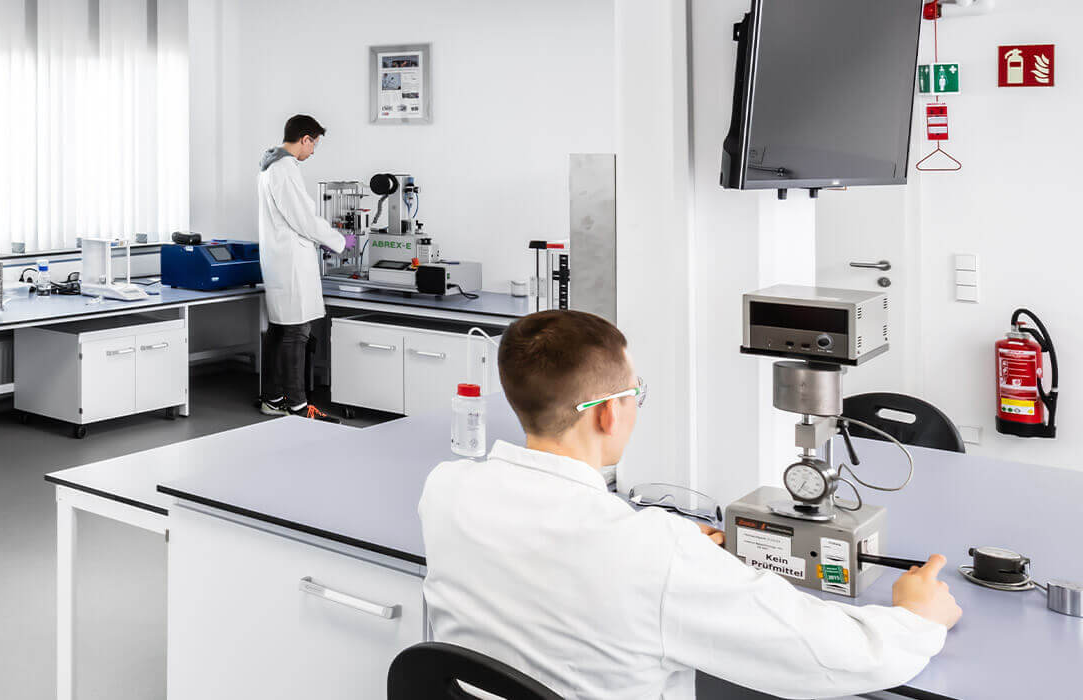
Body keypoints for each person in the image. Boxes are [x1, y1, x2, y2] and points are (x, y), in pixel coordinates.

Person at [419, 310, 959, 699]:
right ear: (609, 413)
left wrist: (677, 557)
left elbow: (554, 553)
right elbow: (838, 657)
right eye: (635, 392)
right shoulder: (656, 553)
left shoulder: (445, 491)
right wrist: (917, 618)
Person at [256, 114, 351, 422]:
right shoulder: (284, 169)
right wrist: (339, 241)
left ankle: (272, 399)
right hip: (291, 263)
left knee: (279, 330)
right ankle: (298, 406)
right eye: (314, 145)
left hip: (280, 259)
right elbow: (304, 219)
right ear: (305, 138)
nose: (313, 151)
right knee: (297, 332)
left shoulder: (269, 166)